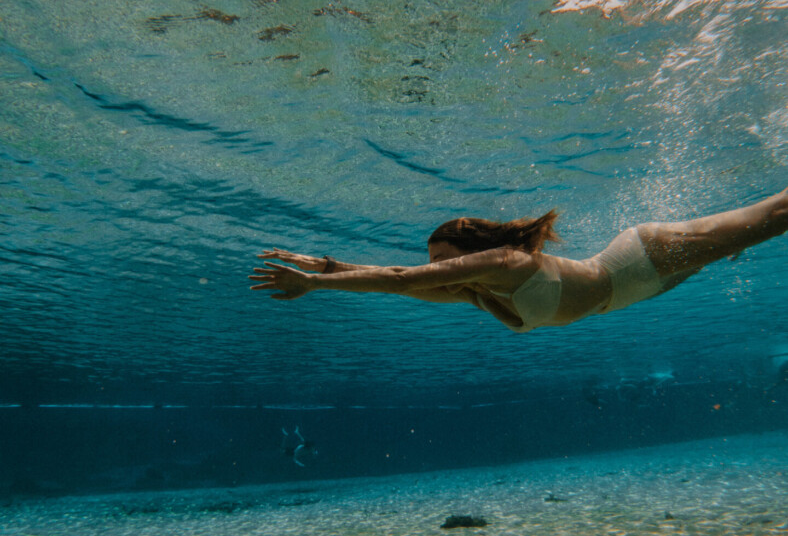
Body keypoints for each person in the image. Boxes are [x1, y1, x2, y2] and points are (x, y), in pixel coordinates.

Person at [248, 190, 788, 334]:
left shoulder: (503, 262)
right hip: (625, 296)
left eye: (444, 260)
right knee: (742, 242)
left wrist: (316, 285)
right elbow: (406, 284)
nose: (438, 269)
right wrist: (323, 265)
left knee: (772, 217)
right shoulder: (473, 291)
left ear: (471, 251)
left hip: (638, 261)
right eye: (436, 262)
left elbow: (399, 279)